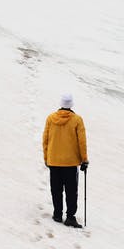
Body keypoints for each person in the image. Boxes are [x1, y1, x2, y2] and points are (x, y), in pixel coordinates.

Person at [42, 92, 88, 228]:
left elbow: (45, 140)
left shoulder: (50, 118)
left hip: (54, 161)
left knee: (56, 189)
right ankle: (70, 217)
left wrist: (46, 158)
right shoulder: (77, 120)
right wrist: (84, 160)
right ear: (71, 105)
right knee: (71, 191)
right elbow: (82, 142)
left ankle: (57, 214)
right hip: (70, 162)